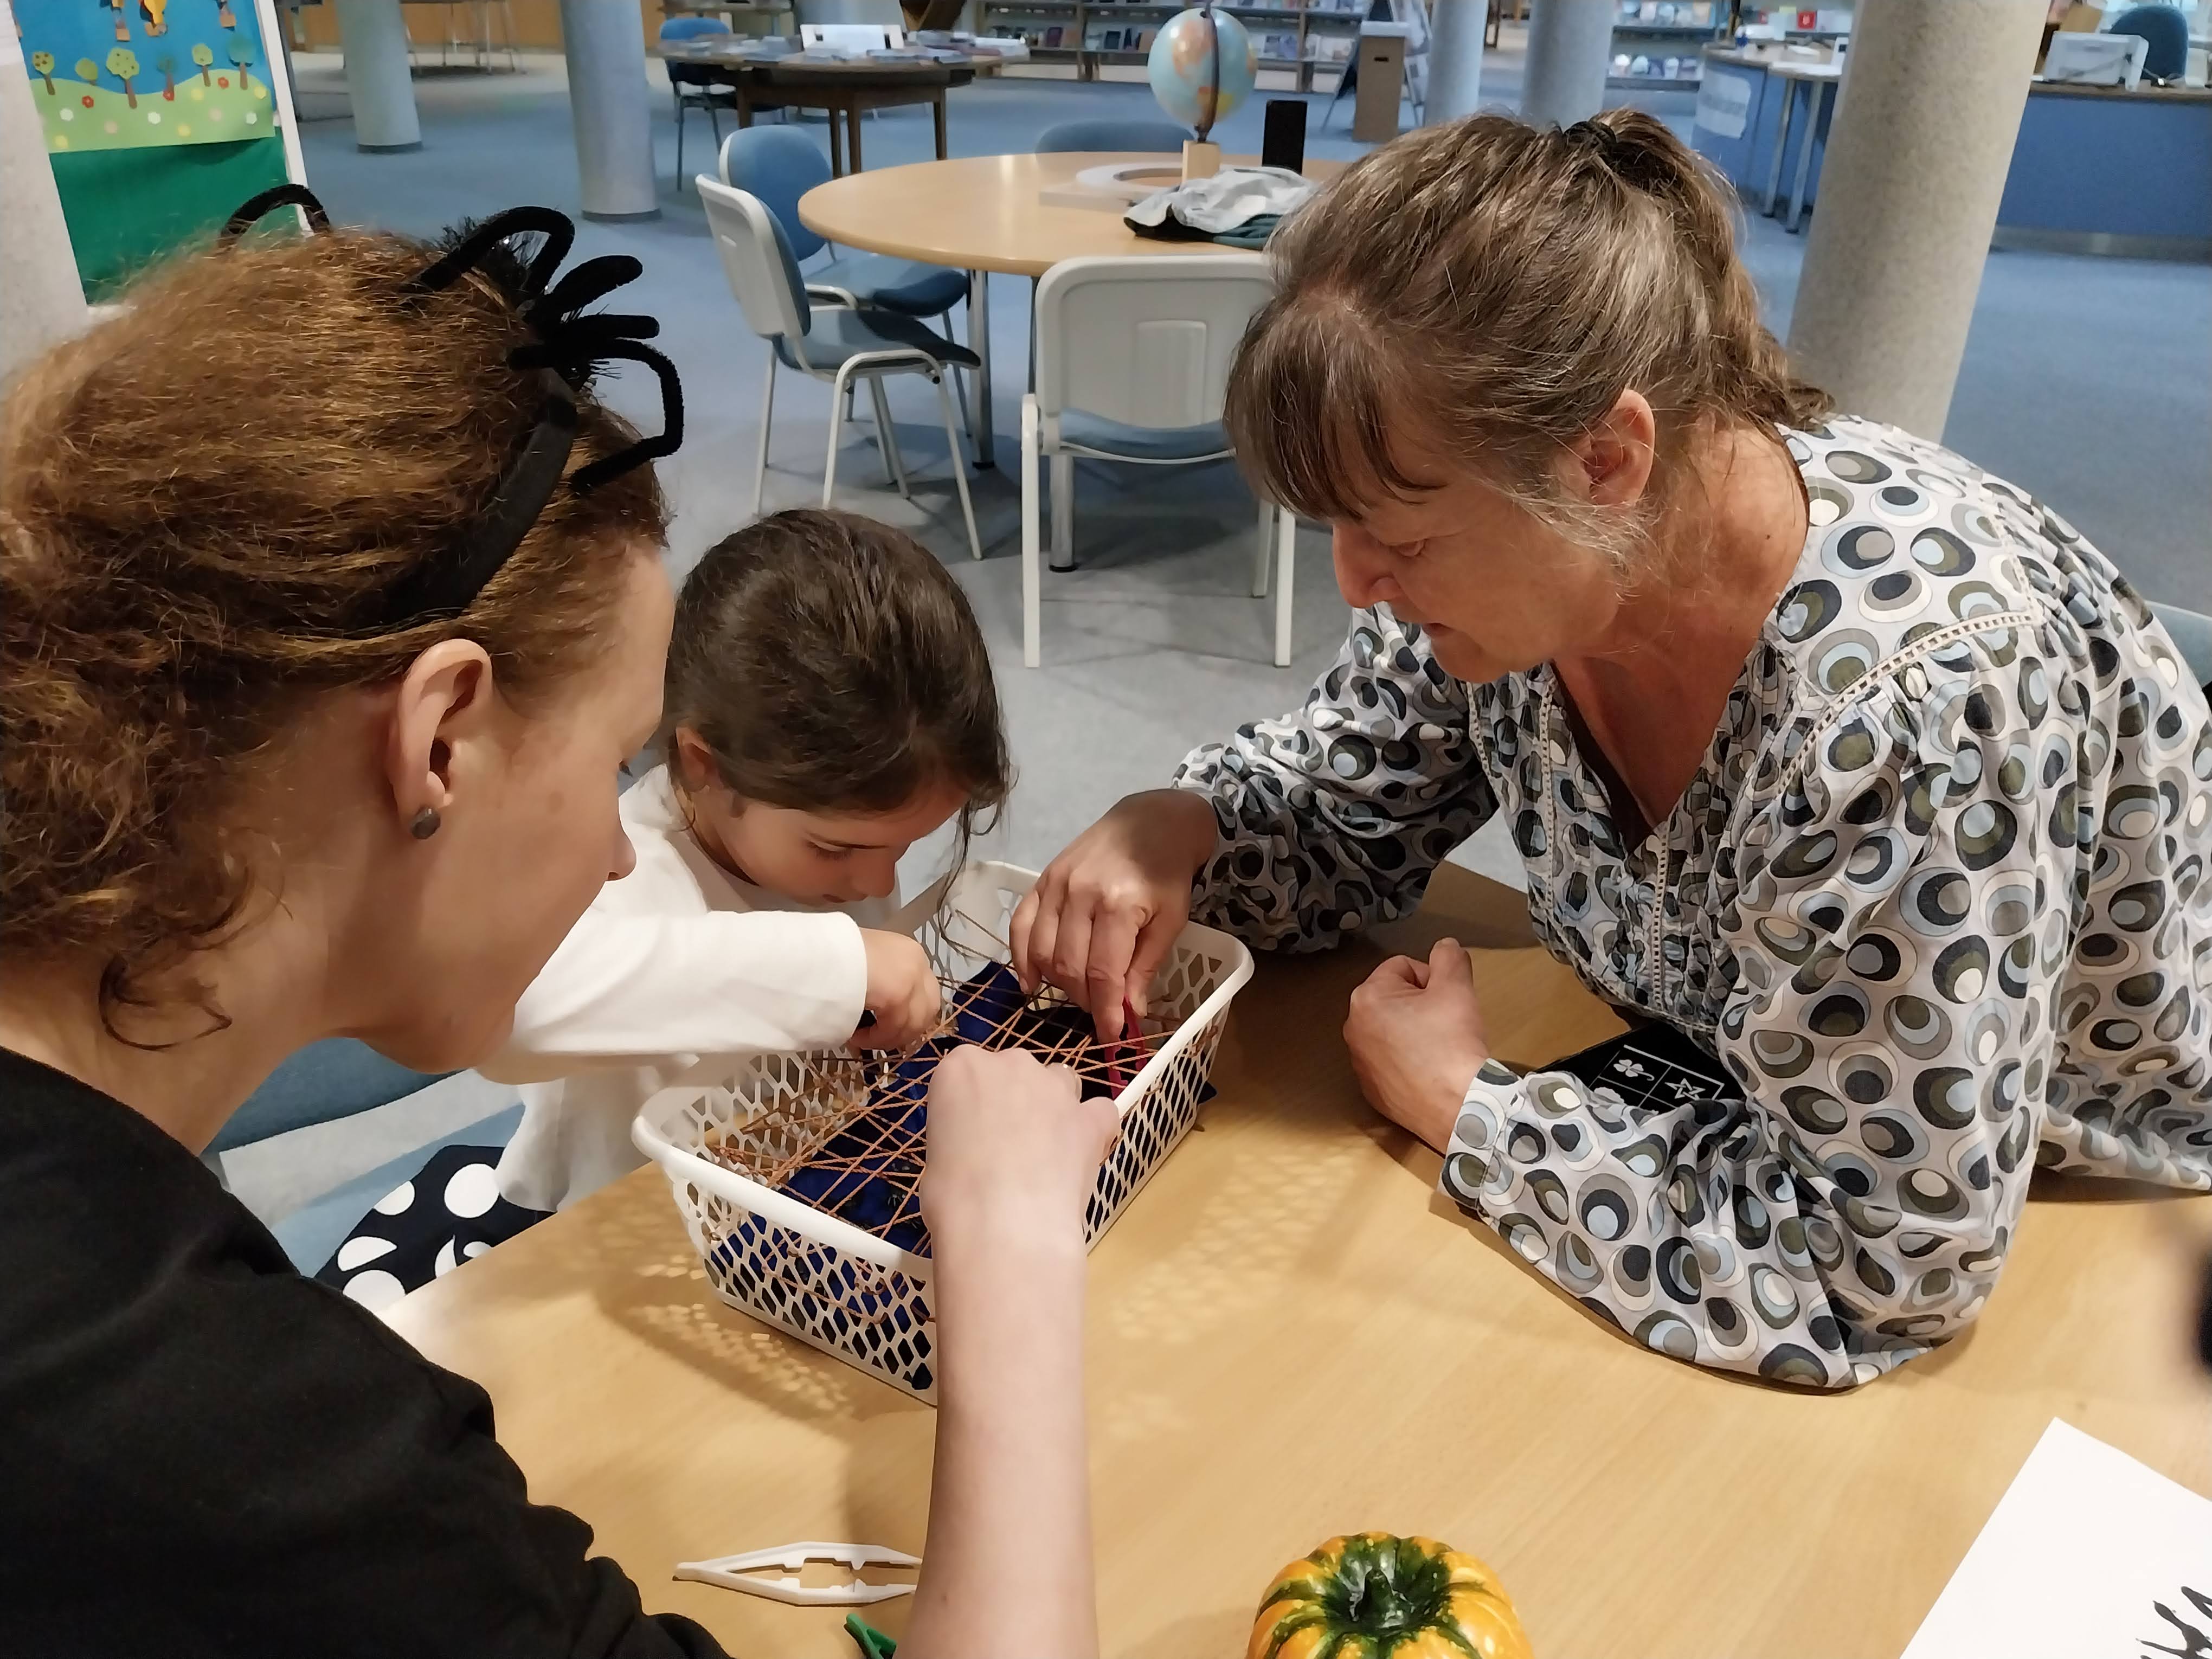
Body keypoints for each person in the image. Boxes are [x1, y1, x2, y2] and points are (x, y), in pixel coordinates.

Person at [0, 205, 1109, 1658]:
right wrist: (1013, 1251)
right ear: (439, 738)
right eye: (608, 762)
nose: (613, 845)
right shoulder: (231, 1450)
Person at [1014, 111, 2212, 1391]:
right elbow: (1342, 809)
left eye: (1402, 539)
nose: (1357, 585)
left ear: (1605, 459)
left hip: (2091, 1217)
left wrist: (1470, 1104)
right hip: (1737, 1095)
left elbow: (1877, 1264)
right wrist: (1180, 826)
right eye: (1340, 531)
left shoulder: (1912, 707)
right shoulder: (1536, 574)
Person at [480, 509, 1008, 1219]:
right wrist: (835, 969)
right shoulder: (616, 871)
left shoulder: (820, 826)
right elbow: (512, 1013)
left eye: (904, 847)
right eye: (836, 849)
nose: (879, 884)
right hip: (613, 1228)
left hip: (787, 1194)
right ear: (706, 766)